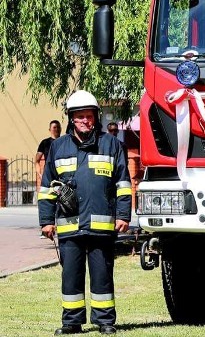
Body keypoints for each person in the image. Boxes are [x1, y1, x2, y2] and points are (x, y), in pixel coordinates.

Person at [38, 90, 131, 335]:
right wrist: (46, 221)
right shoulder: (57, 147)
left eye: (89, 116)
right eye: (79, 117)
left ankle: (105, 321)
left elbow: (122, 183)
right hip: (69, 226)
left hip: (102, 226)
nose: (85, 121)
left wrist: (123, 215)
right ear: (71, 118)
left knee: (102, 275)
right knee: (71, 276)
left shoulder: (111, 144)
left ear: (95, 117)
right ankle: (71, 322)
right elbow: (47, 187)